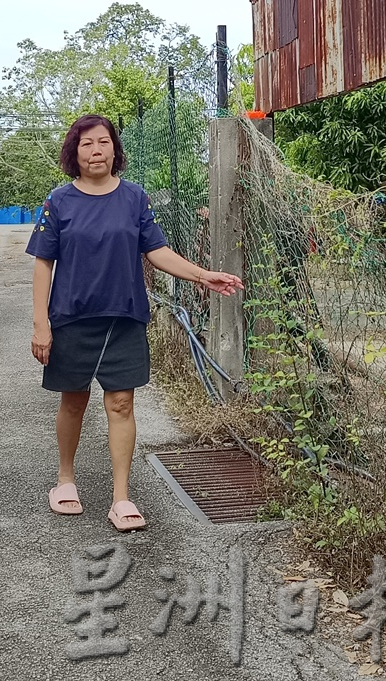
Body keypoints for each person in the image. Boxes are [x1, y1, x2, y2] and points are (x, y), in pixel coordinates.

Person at [27, 113, 242, 532]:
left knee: (121, 403)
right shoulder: (58, 201)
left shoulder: (134, 197)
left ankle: (121, 497)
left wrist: (202, 274)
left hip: (124, 316)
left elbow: (156, 250)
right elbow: (42, 266)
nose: (96, 150)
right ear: (74, 152)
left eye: (103, 142)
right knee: (73, 400)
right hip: (71, 318)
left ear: (114, 150)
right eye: (87, 143)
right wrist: (41, 324)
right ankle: (65, 480)